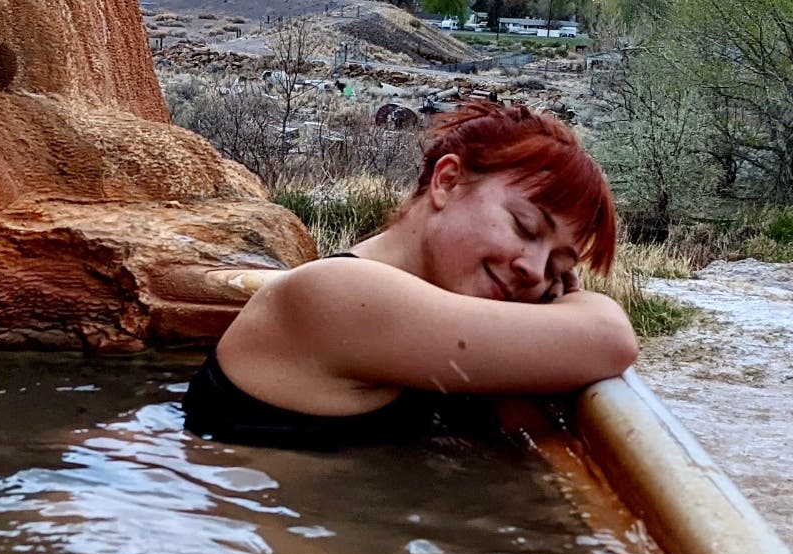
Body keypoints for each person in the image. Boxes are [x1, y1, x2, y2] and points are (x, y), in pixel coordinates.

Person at [185, 102, 637, 449]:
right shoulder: (337, 294)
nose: (534, 270)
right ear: (447, 182)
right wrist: (578, 304)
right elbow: (610, 338)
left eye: (558, 269)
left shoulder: (406, 315)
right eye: (525, 227)